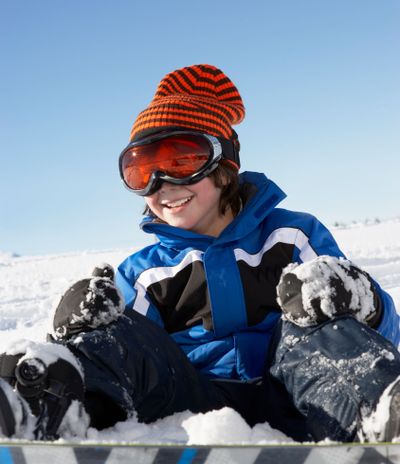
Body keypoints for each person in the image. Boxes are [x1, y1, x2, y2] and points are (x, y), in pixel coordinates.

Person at [1, 64, 400, 443]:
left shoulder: (292, 236)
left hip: (302, 395)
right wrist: (86, 331)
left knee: (323, 323)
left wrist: (357, 298)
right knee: (112, 335)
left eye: (182, 161)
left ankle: (380, 416)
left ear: (223, 163)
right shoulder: (144, 274)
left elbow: (372, 332)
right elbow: (127, 361)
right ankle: (42, 408)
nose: (163, 184)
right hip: (191, 407)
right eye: (143, 171)